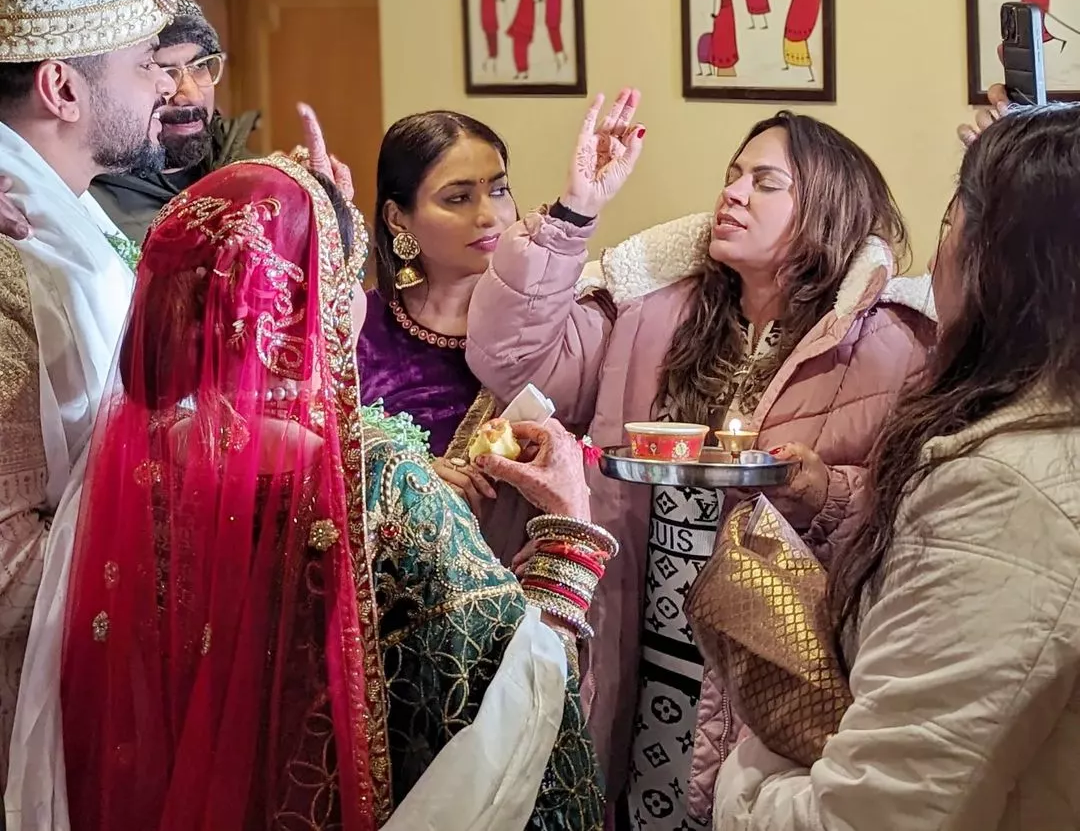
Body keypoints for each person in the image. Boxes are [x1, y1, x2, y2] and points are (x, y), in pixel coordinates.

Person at [47, 153, 607, 831]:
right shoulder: (380, 481)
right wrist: (569, 536)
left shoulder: (142, 462)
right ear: (324, 299)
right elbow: (512, 727)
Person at [467, 91, 935, 825]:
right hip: (642, 640)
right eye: (732, 176)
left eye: (765, 182)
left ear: (829, 209)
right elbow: (511, 358)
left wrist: (827, 492)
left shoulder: (891, 344)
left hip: (764, 664)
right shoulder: (654, 309)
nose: (733, 193)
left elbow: (918, 511)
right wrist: (575, 213)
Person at [714, 103, 1080, 831]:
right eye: (733, 175)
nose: (734, 194)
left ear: (998, 262)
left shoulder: (1003, 488)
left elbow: (877, 812)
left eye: (951, 221)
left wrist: (747, 779)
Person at [0, 0, 176, 802]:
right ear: (62, 88)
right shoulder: (11, 257)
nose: (169, 85)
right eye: (147, 63)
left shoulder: (75, 214)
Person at [357, 111, 518, 464]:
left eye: (499, 191)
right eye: (458, 198)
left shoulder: (539, 319)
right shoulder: (359, 332)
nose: (489, 216)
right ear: (397, 219)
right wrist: (414, 475)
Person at [89, 0, 257, 243]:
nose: (190, 95)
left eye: (200, 66)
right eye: (163, 70)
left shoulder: (251, 176)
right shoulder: (84, 207)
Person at [508, 0, 536, 79]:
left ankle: (523, 71)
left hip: (522, 23)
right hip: (523, 23)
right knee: (520, 50)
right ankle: (522, 71)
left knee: (519, 49)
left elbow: (524, 3)